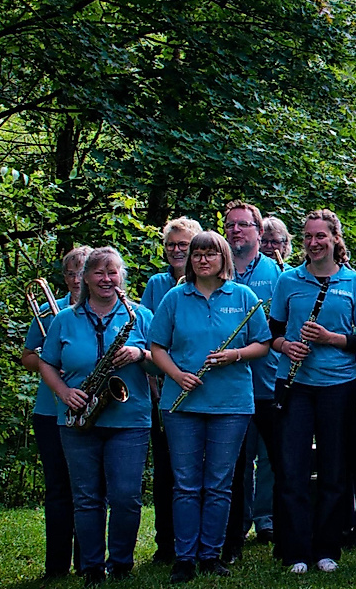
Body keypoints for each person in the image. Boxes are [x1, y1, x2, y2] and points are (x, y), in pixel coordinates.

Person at [149, 232, 271, 583]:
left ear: (223, 259)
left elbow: (262, 343)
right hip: (182, 403)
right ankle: (184, 557)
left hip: (231, 403)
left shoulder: (243, 296)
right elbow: (157, 347)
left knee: (219, 483)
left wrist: (233, 355)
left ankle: (210, 554)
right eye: (197, 254)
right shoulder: (175, 298)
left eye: (211, 254)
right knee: (186, 484)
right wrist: (178, 375)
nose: (203, 260)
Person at [39, 247, 156, 585]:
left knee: (125, 496)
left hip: (129, 419)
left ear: (122, 278)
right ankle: (91, 567)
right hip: (77, 417)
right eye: (99, 273)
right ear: (85, 278)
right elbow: (46, 362)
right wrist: (63, 393)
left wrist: (139, 353)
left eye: (113, 273)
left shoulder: (141, 316)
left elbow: (159, 363)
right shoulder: (64, 319)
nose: (106, 279)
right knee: (86, 498)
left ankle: (120, 563)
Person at [270, 210, 356, 574]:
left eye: (321, 237)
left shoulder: (354, 282)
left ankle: (327, 547)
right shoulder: (288, 280)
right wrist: (286, 346)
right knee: (293, 469)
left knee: (334, 468)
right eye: (309, 237)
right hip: (295, 384)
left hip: (337, 385)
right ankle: (296, 550)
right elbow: (273, 331)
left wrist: (331, 339)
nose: (314, 243)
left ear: (335, 239)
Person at [20, 245, 91, 580]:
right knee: (59, 488)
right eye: (72, 273)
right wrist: (52, 365)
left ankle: (88, 561)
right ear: (65, 277)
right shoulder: (51, 312)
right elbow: (28, 357)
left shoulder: (106, 307)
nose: (79, 279)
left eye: (84, 271)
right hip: (51, 411)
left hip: (93, 411)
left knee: (90, 489)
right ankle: (56, 566)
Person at [222, 201, 285, 564]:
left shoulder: (279, 274)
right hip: (230, 385)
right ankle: (234, 534)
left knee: (277, 461)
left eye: (243, 225)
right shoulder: (217, 271)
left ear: (259, 233)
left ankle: (273, 527)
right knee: (234, 464)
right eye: (230, 225)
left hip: (270, 380)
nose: (236, 231)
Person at [141, 218, 203, 564]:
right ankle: (168, 544)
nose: (178, 250)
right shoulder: (157, 284)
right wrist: (156, 385)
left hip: (205, 387)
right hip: (165, 387)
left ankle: (207, 543)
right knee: (168, 471)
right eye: (172, 245)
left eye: (184, 244)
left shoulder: (213, 279)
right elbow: (152, 342)